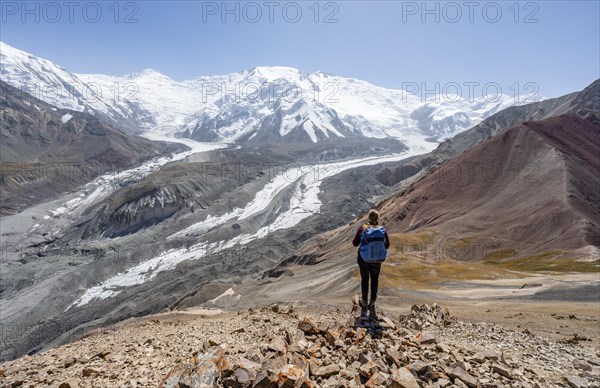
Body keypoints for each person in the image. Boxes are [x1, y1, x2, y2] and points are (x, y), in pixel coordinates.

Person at [352, 209, 390, 320]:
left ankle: (364, 302)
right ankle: (372, 302)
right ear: (377, 218)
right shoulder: (382, 230)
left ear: (368, 217)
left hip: (363, 259)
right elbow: (387, 245)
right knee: (375, 279)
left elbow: (355, 243)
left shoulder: (363, 228)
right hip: (377, 260)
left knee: (365, 280)